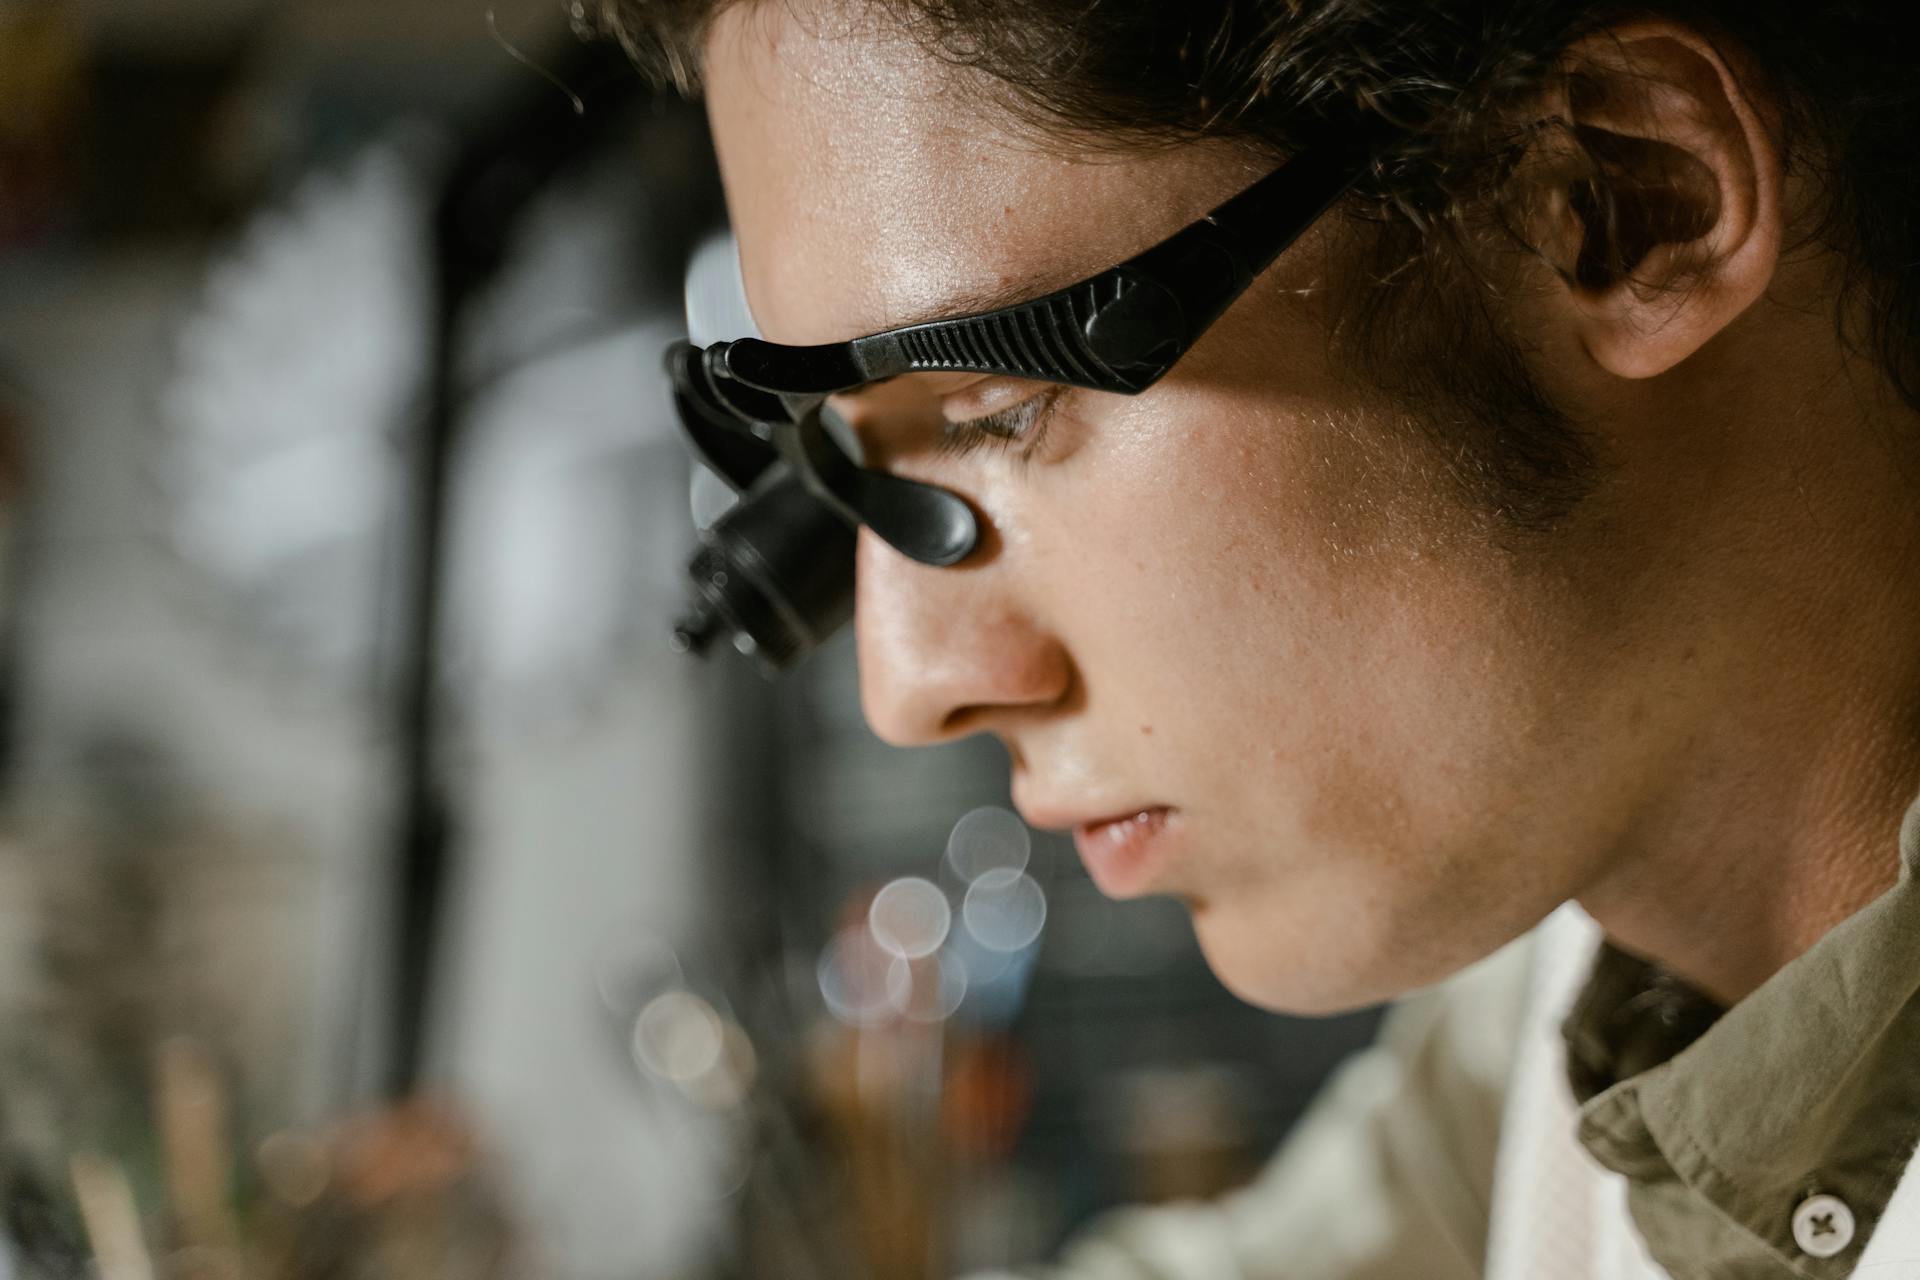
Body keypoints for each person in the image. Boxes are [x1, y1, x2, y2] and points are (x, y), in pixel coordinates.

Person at [605, 0, 1920, 1274]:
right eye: (851, 466)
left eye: (996, 407)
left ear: (1623, 204)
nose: (911, 685)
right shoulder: (1579, 1012)